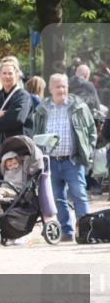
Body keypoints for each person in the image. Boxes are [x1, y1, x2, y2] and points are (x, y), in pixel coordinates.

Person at [33, 73, 97, 241]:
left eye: (64, 86)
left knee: (79, 195)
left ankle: (85, 232)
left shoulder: (79, 106)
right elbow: (36, 133)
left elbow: (92, 131)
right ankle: (67, 232)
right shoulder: (42, 109)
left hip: (73, 160)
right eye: (57, 87)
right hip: (51, 161)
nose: (61, 90)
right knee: (57, 198)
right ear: (50, 89)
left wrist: (88, 150)